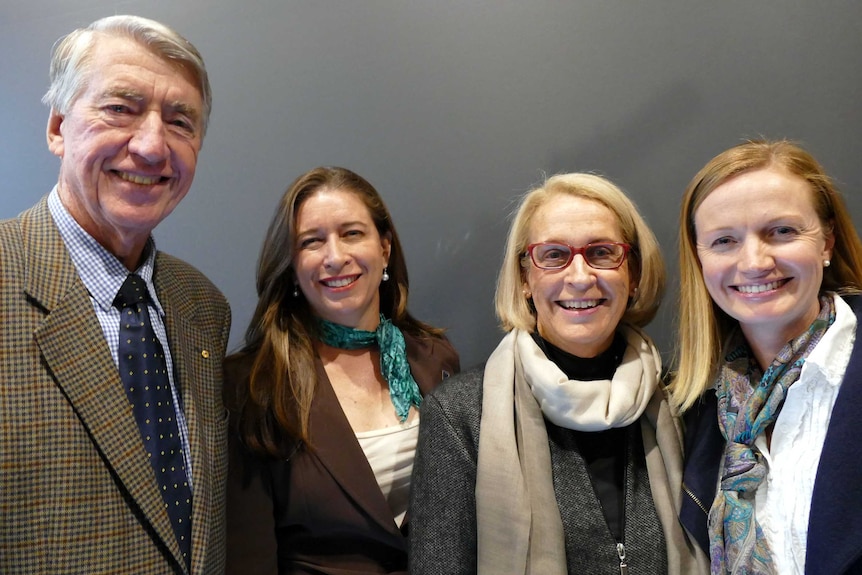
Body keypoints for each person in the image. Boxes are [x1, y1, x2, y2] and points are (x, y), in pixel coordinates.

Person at [0, 15, 230, 574]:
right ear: (58, 127)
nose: (152, 146)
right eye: (120, 109)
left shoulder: (203, 306)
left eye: (180, 122)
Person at [409, 173, 708, 574]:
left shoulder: (684, 399)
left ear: (633, 275)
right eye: (553, 255)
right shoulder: (460, 415)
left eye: (602, 252)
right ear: (525, 279)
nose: (580, 277)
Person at [223, 166, 460, 575]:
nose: (335, 257)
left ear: (384, 249)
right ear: (292, 265)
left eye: (352, 233)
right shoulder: (251, 384)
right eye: (312, 242)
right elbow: (249, 556)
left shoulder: (435, 359)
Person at [671, 139, 862, 574]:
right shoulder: (688, 412)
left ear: (827, 242)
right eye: (724, 241)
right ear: (699, 260)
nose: (754, 261)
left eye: (782, 231)